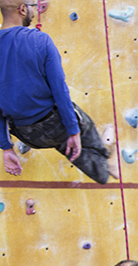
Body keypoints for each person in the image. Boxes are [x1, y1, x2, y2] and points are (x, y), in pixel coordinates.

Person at [1, 0, 115, 184]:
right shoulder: (40, 39)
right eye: (31, 6)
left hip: (26, 135)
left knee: (62, 142)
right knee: (81, 127)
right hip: (54, 125)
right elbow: (59, 90)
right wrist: (73, 131)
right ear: (22, 9)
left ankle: (96, 166)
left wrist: (6, 148)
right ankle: (105, 167)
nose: (33, 10)